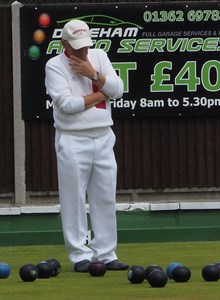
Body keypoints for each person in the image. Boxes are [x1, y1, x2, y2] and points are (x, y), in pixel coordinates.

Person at [45, 19, 129, 272]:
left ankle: (106, 253)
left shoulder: (99, 56)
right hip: (72, 138)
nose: (82, 52)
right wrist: (104, 92)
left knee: (104, 197)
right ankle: (79, 255)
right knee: (73, 199)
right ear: (64, 43)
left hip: (104, 135)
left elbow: (120, 89)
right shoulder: (54, 65)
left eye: (85, 46)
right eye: (76, 47)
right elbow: (68, 106)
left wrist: (93, 75)